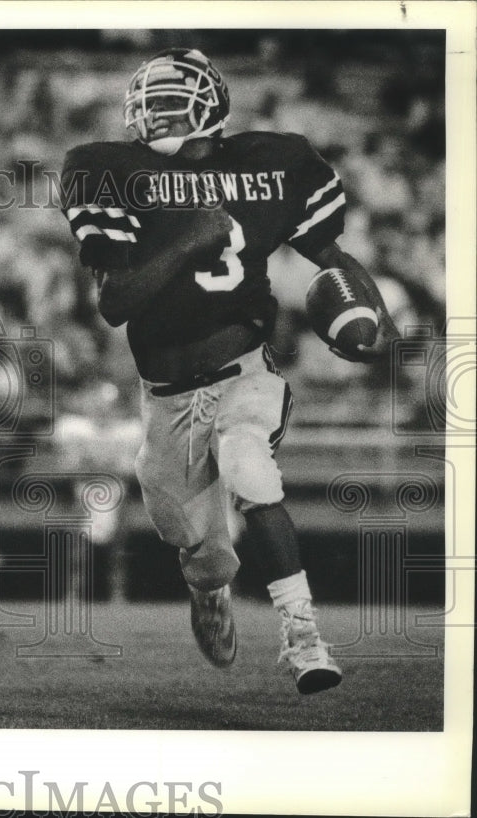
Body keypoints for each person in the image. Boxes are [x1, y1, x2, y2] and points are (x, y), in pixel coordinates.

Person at [60, 48, 400, 694]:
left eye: (169, 100)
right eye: (148, 102)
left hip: (243, 366)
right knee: (197, 543)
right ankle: (210, 589)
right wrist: (188, 238)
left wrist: (370, 314)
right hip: (165, 395)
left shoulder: (272, 162)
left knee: (248, 465)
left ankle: (304, 639)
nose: (153, 113)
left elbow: (330, 254)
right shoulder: (109, 169)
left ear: (211, 104)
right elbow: (114, 304)